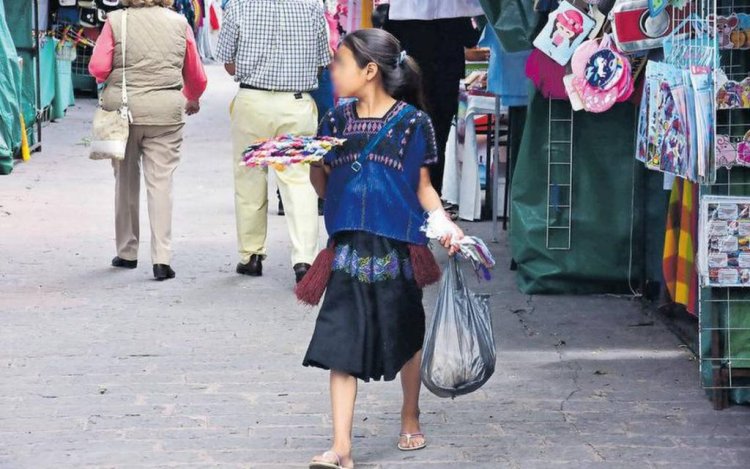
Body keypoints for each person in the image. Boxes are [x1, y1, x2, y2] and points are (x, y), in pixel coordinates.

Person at [299, 29, 463, 469]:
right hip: (348, 247)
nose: (332, 70)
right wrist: (313, 164)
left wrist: (444, 225)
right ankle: (341, 448)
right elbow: (323, 186)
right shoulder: (334, 120)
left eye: (340, 63)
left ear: (369, 70)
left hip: (398, 245)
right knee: (339, 339)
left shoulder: (414, 123)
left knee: (406, 331)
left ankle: (410, 414)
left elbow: (423, 187)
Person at [89, 0, 207, 281]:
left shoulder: (116, 21)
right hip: (165, 115)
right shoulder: (180, 23)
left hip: (124, 114)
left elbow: (98, 67)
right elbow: (197, 77)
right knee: (161, 183)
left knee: (125, 181)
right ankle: (162, 259)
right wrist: (191, 97)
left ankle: (128, 252)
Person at [216, 0, 331, 283]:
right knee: (300, 182)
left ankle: (251, 255)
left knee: (249, 180)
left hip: (252, 101)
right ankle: (304, 259)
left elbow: (229, 64)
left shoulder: (239, 6)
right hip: (296, 103)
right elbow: (321, 63)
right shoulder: (314, 7)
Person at [383, 0, 482, 195]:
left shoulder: (403, 9)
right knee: (437, 139)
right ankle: (432, 197)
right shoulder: (456, 9)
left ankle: (406, 195)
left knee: (408, 137)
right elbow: (471, 39)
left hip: (413, 82)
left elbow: (392, 37)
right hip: (446, 82)